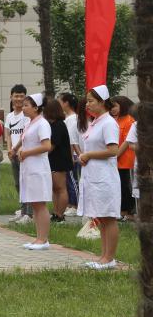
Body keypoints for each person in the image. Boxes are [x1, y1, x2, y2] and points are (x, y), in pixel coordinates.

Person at [76, 85, 121, 270]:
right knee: (101, 218)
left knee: (108, 218)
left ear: (102, 102)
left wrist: (88, 155)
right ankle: (103, 257)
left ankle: (109, 258)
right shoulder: (96, 122)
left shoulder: (108, 123)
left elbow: (113, 150)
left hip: (105, 178)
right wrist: (84, 156)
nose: (87, 104)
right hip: (94, 176)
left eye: (91, 101)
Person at [13, 94, 53, 249]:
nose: (23, 108)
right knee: (35, 204)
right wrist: (17, 150)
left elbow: (46, 146)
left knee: (40, 204)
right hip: (29, 167)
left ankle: (43, 239)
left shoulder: (42, 124)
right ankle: (38, 238)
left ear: (36, 107)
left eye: (26, 105)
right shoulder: (30, 123)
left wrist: (26, 152)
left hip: (38, 168)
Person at [5, 84, 31, 224]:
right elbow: (8, 134)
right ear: (11, 97)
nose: (19, 99)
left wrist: (16, 149)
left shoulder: (26, 115)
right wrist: (10, 149)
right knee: (18, 183)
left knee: (27, 183)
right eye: (16, 96)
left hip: (23, 154)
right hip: (13, 154)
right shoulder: (9, 116)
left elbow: (25, 135)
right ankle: (22, 210)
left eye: (22, 96)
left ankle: (29, 214)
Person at [45, 98, 72, 223]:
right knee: (55, 188)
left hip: (60, 160)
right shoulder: (51, 125)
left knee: (60, 188)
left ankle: (60, 214)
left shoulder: (59, 125)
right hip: (53, 160)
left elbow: (51, 146)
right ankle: (56, 212)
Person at [110, 95, 136, 221]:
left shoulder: (129, 120)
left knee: (126, 187)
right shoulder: (115, 120)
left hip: (126, 160)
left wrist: (115, 155)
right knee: (119, 186)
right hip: (116, 159)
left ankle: (128, 212)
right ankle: (122, 211)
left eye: (115, 106)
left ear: (123, 106)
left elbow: (127, 141)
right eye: (111, 107)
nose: (112, 109)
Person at [58, 92, 81, 215]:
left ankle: (75, 205)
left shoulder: (72, 119)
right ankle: (70, 204)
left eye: (60, 101)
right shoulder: (68, 118)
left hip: (72, 155)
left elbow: (72, 139)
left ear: (66, 103)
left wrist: (71, 156)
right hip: (69, 154)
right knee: (68, 180)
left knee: (72, 180)